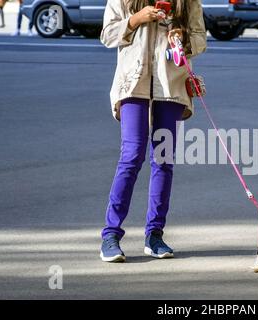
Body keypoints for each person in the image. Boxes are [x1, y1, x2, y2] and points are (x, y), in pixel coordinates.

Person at [99, 0, 206, 263]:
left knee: (163, 161)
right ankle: (110, 235)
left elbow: (200, 38)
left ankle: (154, 235)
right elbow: (107, 34)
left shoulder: (188, 2)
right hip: (133, 83)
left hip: (170, 87)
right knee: (132, 156)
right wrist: (136, 19)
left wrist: (182, 39)